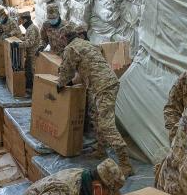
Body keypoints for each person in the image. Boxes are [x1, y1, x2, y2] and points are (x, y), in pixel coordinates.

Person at [56, 26, 132, 176]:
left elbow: (66, 72)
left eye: (61, 39)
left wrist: (60, 84)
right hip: (104, 83)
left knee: (106, 125)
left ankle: (125, 164)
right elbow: (88, 67)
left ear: (64, 38)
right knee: (96, 117)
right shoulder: (86, 43)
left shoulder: (71, 49)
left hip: (103, 86)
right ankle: (101, 150)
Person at [12, 11, 44, 91]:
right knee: (28, 71)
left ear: (25, 20)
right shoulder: (30, 28)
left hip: (33, 54)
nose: (21, 22)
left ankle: (35, 90)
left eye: (21, 20)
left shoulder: (32, 28)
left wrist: (18, 45)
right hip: (30, 53)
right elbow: (27, 39)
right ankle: (29, 87)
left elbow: (30, 42)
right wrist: (19, 39)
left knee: (33, 72)